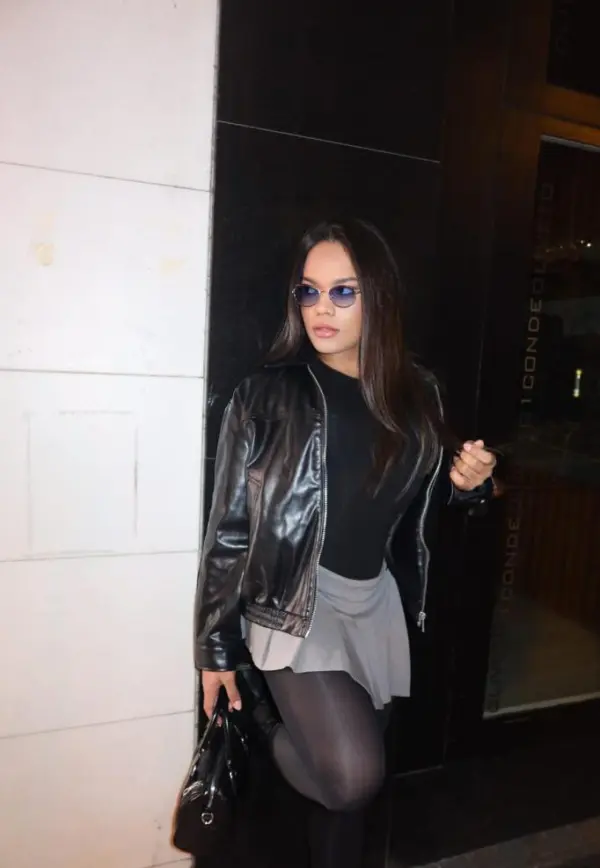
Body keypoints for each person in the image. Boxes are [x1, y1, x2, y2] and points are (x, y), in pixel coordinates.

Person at [194, 219, 497, 868]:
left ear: (378, 296)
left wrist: (470, 486)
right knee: (353, 774)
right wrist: (216, 647)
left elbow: (423, 497)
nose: (321, 309)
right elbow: (229, 527)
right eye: (309, 292)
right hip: (293, 604)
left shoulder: (417, 393)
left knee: (344, 804)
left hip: (374, 602)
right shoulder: (267, 395)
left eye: (342, 292)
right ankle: (263, 724)